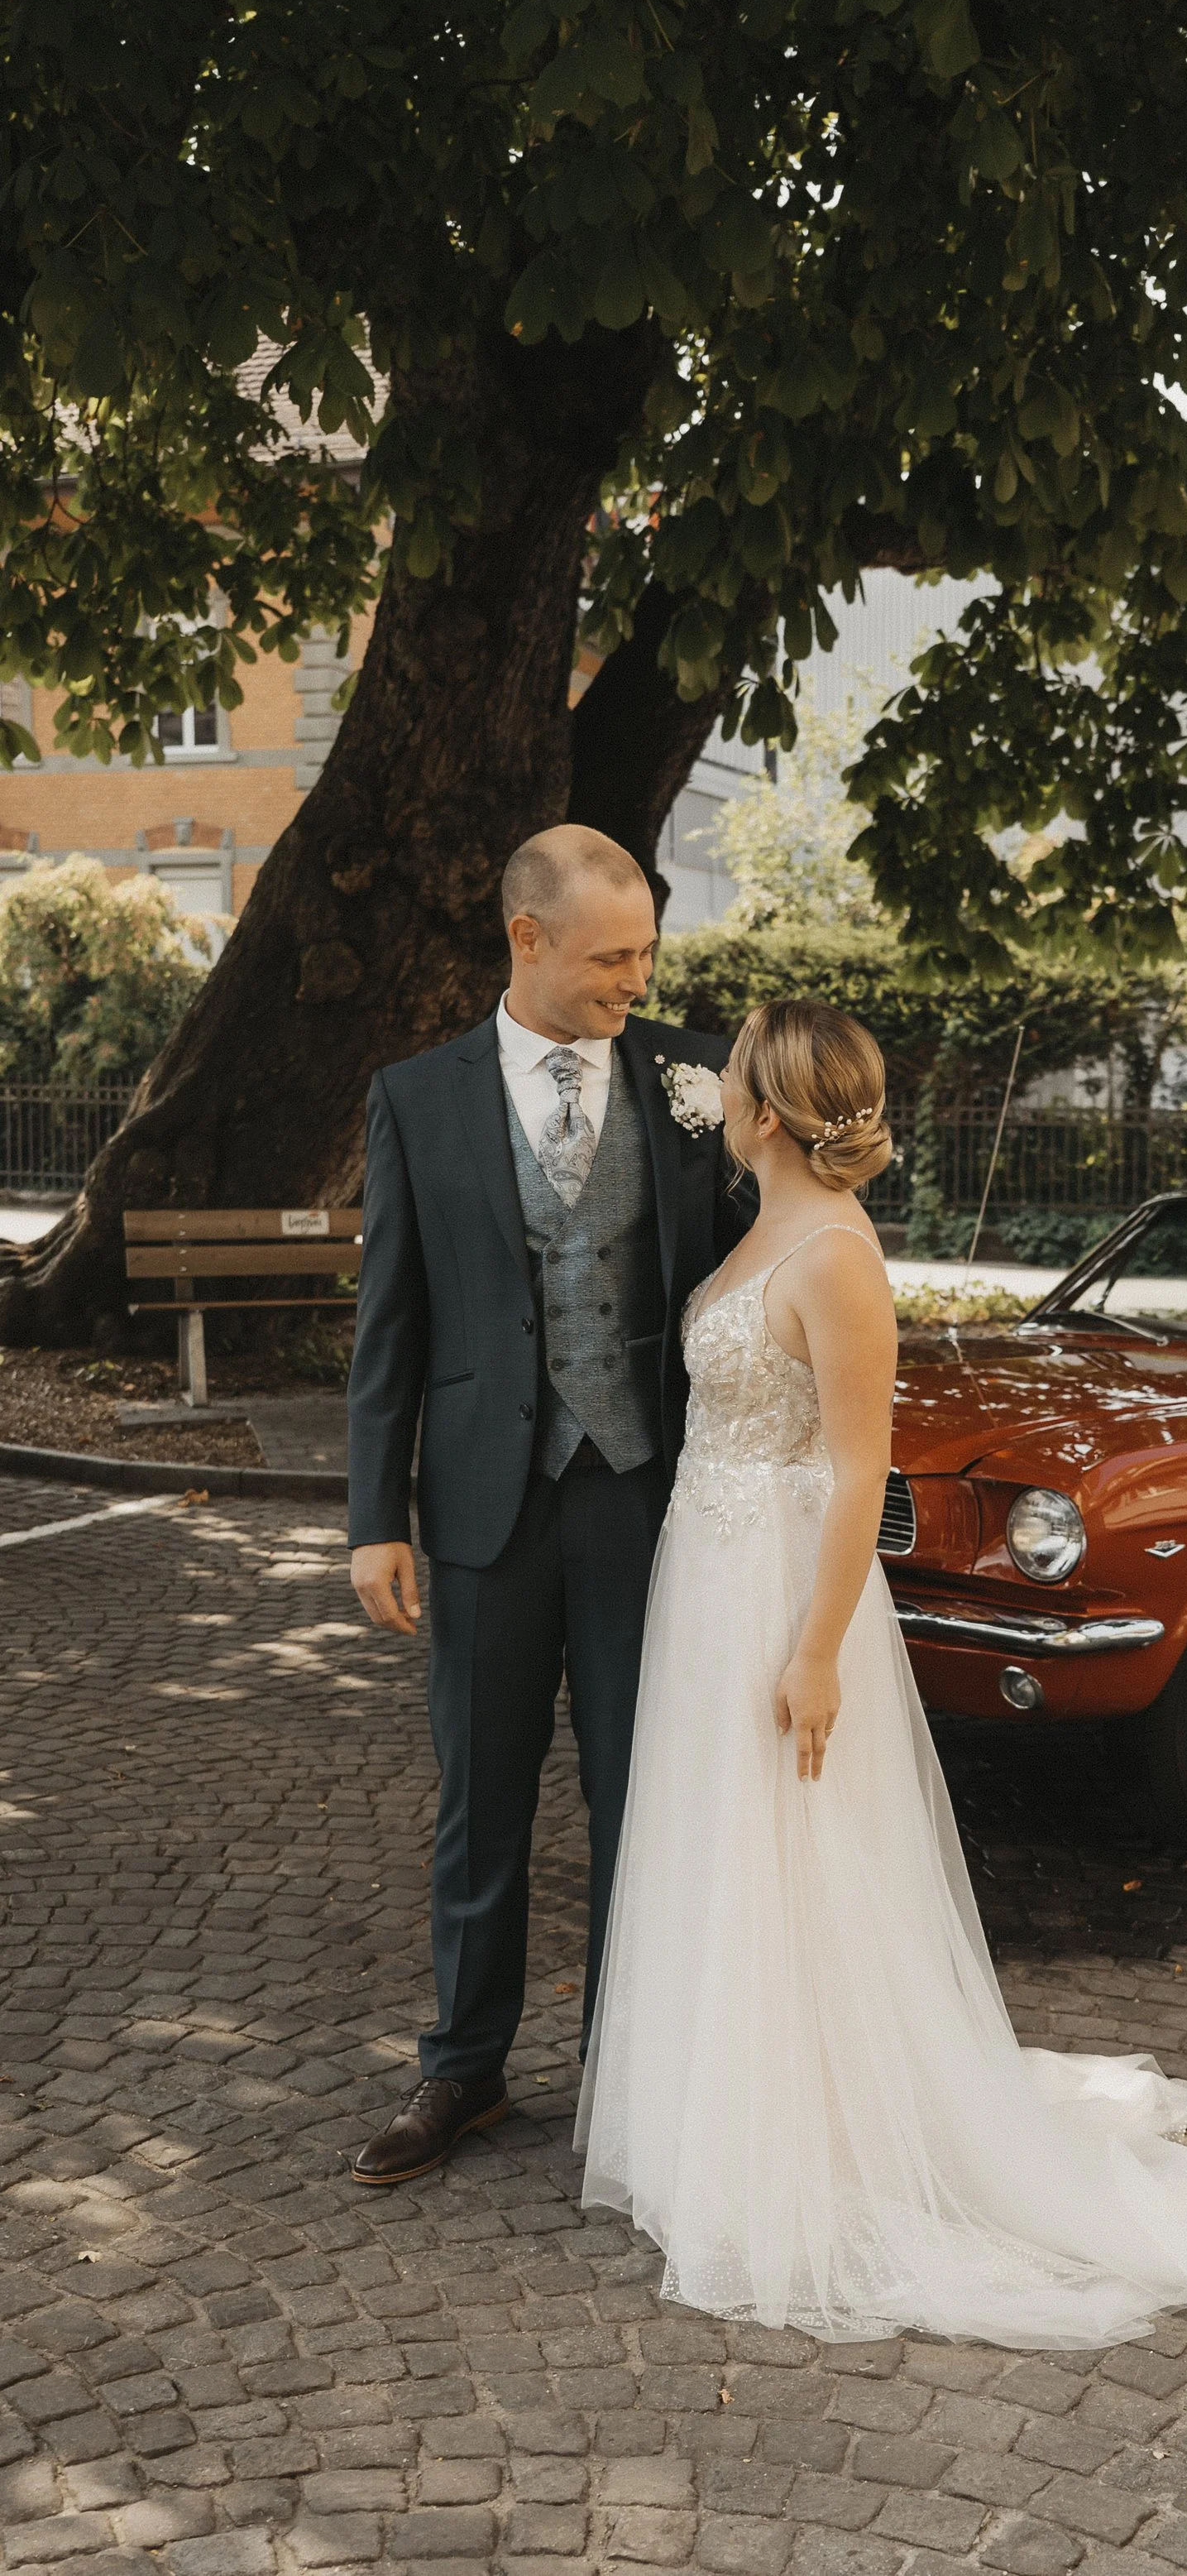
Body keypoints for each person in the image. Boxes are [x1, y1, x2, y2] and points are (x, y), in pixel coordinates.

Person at [577, 996, 1187, 2358]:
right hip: (706, 1574)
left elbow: (858, 1471)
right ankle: (721, 2115)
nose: (707, 1083)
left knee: (796, 1858)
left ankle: (812, 2143)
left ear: (766, 1108)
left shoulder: (834, 1254)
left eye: (730, 1073)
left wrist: (818, 1648)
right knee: (723, 1843)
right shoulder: (757, 1224)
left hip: (780, 1587)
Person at [344, 825, 749, 2188]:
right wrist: (372, 1517)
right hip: (480, 1506)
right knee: (484, 1801)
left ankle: (641, 2074)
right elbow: (389, 1325)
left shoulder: (695, 1074)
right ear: (528, 939)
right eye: (612, 956)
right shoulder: (415, 1097)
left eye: (647, 951)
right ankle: (461, 2066)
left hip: (648, 1496)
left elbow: (769, 1246)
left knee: (651, 1794)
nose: (638, 977)